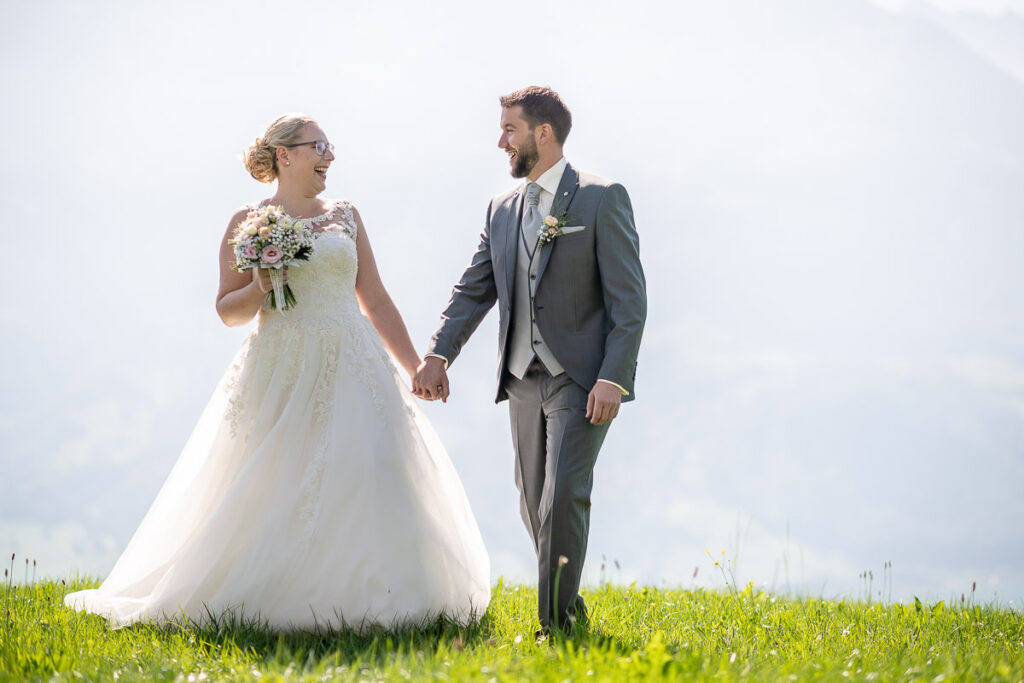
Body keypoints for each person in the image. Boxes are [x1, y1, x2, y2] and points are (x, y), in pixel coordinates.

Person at [64, 113, 491, 631]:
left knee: (369, 467)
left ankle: (372, 594)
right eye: (320, 146)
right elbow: (228, 311)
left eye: (330, 146)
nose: (330, 156)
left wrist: (417, 367)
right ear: (284, 155)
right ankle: (277, 596)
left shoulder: (346, 215)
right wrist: (261, 285)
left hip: (352, 361)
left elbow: (374, 299)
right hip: (281, 366)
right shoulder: (249, 221)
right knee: (274, 479)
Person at [413, 87, 646, 635]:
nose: (501, 142)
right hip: (520, 378)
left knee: (563, 495)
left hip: (581, 378)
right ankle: (568, 606)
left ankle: (555, 628)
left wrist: (614, 376)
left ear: (543, 133)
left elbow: (629, 301)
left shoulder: (601, 197)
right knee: (533, 504)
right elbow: (474, 289)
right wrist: (438, 353)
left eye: (510, 130)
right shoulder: (500, 210)